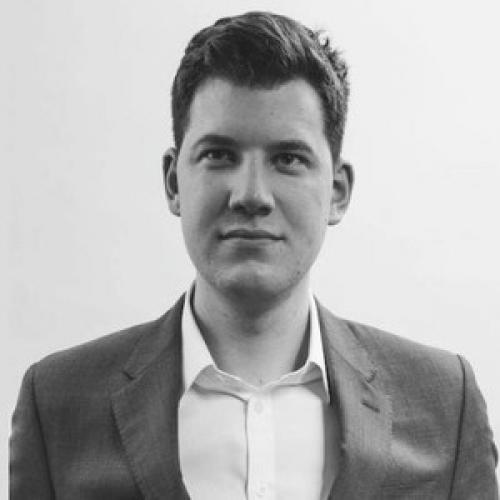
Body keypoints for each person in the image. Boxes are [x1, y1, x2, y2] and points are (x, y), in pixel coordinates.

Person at [10, 10, 498, 500]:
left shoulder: (444, 406)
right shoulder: (57, 403)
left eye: (288, 159)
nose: (251, 195)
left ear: (337, 191)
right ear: (174, 182)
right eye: (219, 155)